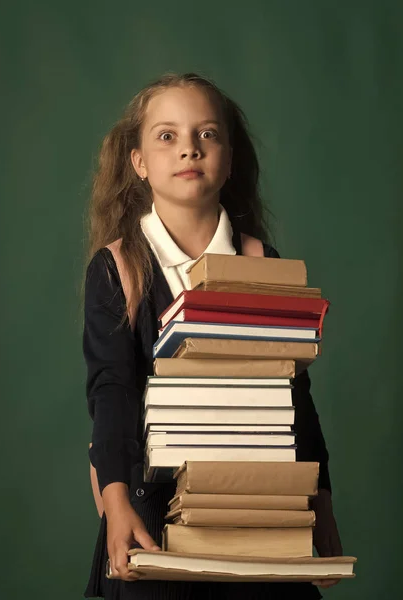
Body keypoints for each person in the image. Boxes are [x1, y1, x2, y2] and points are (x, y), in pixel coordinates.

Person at [83, 72, 343, 600]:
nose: (188, 150)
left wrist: (320, 506)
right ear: (138, 162)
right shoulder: (118, 268)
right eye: (166, 136)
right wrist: (115, 504)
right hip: (152, 506)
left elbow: (293, 392)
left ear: (229, 157)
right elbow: (112, 390)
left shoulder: (261, 261)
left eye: (207, 134)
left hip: (259, 506)